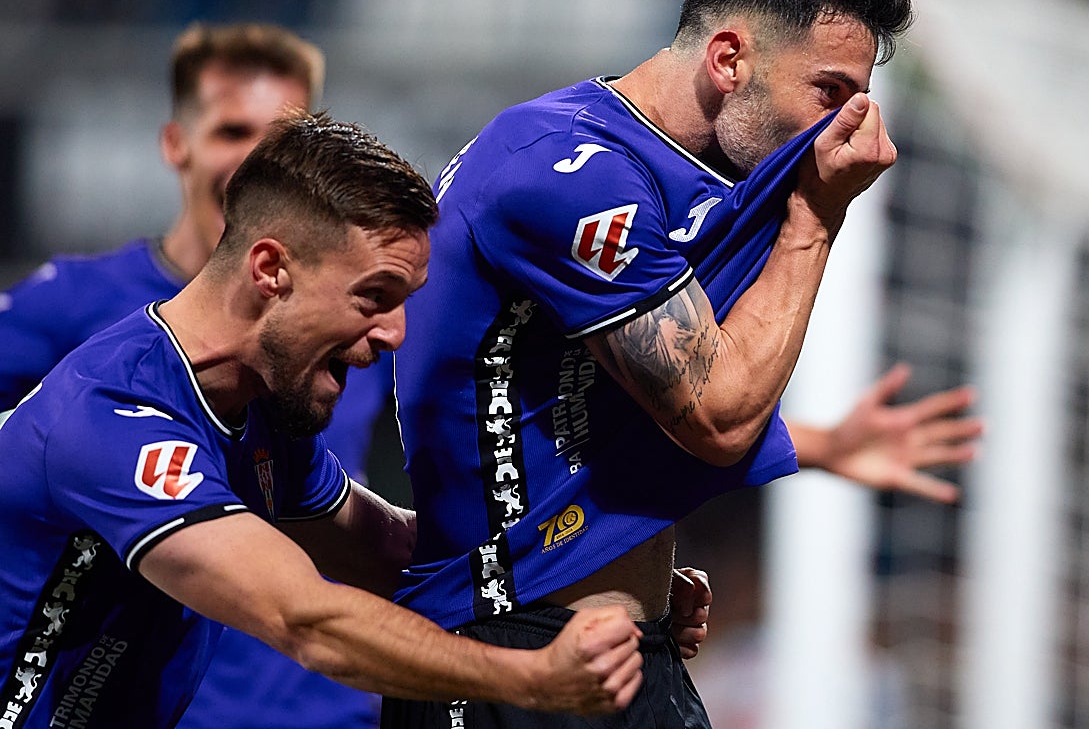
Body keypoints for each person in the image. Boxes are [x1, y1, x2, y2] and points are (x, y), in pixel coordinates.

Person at [387, 0, 982, 727]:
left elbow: (602, 421)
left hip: (637, 650)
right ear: (729, 59)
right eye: (829, 93)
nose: (846, 130)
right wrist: (814, 220)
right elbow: (718, 416)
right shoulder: (567, 170)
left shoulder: (674, 175)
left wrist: (640, 563)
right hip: (505, 651)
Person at [0, 111, 647, 729]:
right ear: (270, 270)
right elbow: (305, 620)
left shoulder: (263, 411)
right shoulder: (115, 417)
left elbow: (389, 549)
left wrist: (602, 572)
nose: (395, 334)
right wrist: (530, 677)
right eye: (374, 296)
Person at [0, 23, 402, 728]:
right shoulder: (75, 307)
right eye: (231, 130)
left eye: (278, 139)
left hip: (333, 693)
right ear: (174, 144)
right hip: (186, 704)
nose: (251, 157)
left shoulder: (351, 318)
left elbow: (367, 527)